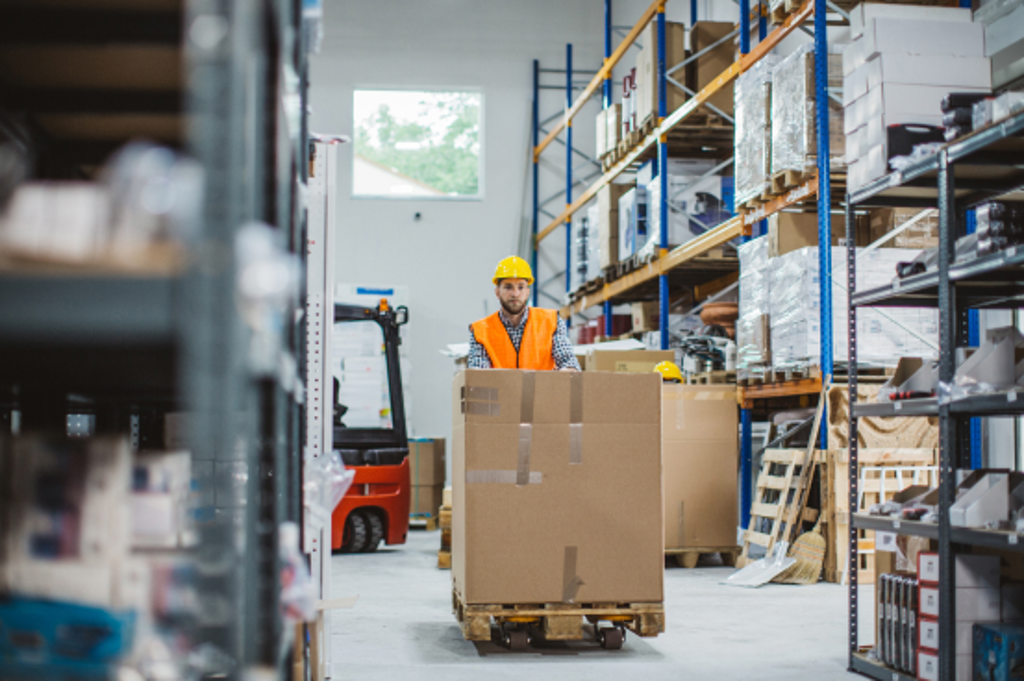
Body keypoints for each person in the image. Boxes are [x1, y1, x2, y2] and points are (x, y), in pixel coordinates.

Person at [468, 255, 581, 371]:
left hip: (543, 389)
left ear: (527, 292)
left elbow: (568, 362)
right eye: (508, 287)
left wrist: (568, 371)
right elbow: (478, 373)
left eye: (521, 287)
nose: (515, 294)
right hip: (501, 389)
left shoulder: (552, 321)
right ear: (497, 292)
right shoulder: (480, 331)